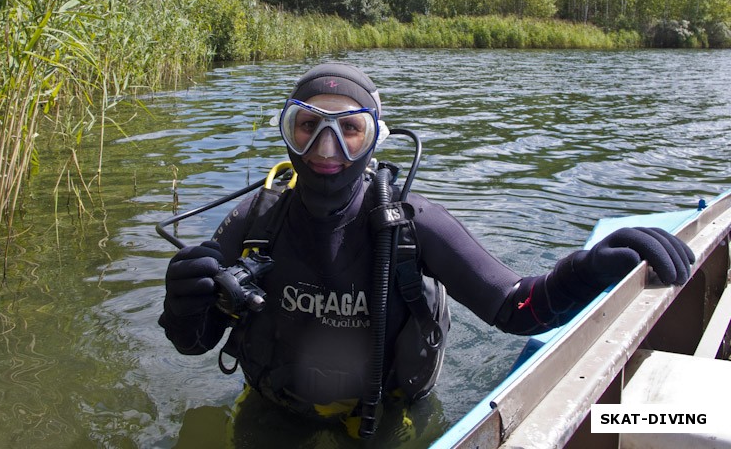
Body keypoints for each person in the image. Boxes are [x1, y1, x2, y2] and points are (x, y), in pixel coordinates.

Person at [159, 62, 693, 436]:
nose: (327, 150)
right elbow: (193, 344)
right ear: (287, 134)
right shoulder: (253, 222)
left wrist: (587, 269)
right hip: (274, 411)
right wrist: (182, 305)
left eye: (349, 129)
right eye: (308, 127)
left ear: (375, 139)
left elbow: (516, 308)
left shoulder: (413, 225)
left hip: (387, 418)